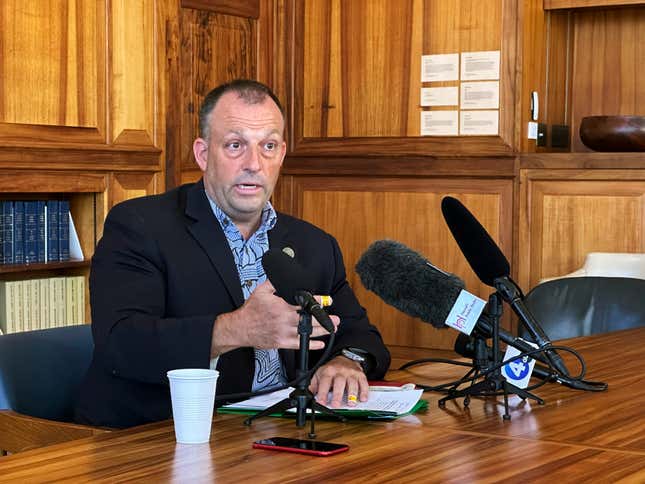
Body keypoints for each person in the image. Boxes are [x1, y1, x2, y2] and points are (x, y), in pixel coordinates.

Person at [74, 79, 390, 429]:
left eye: (268, 146)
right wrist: (234, 329)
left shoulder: (313, 244)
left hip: (274, 434)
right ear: (203, 153)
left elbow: (359, 334)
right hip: (157, 436)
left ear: (281, 154)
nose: (254, 163)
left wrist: (347, 361)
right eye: (235, 145)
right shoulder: (139, 226)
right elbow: (122, 344)